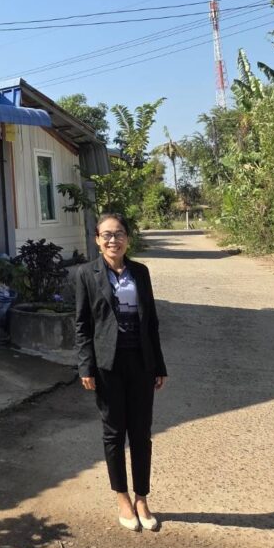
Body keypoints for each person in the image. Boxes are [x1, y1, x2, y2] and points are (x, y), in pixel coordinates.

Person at [75, 212, 167, 531]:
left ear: (128, 238)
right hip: (107, 366)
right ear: (97, 240)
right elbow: (82, 325)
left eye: (119, 234)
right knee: (114, 433)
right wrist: (85, 366)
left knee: (141, 433)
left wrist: (159, 365)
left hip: (141, 363)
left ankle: (142, 497)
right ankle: (122, 497)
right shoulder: (86, 274)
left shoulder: (140, 272)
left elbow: (151, 322)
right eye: (107, 235)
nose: (113, 240)